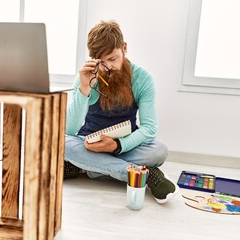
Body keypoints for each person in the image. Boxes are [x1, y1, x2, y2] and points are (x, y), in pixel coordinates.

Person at [64, 20, 178, 204]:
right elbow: (70, 130)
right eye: (101, 62)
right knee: (61, 143)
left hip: (124, 146)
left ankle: (89, 167)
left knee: (159, 151)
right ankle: (141, 174)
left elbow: (149, 128)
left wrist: (117, 145)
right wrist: (84, 88)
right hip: (89, 144)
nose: (108, 67)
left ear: (124, 48)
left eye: (112, 59)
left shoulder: (143, 79)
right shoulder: (87, 77)